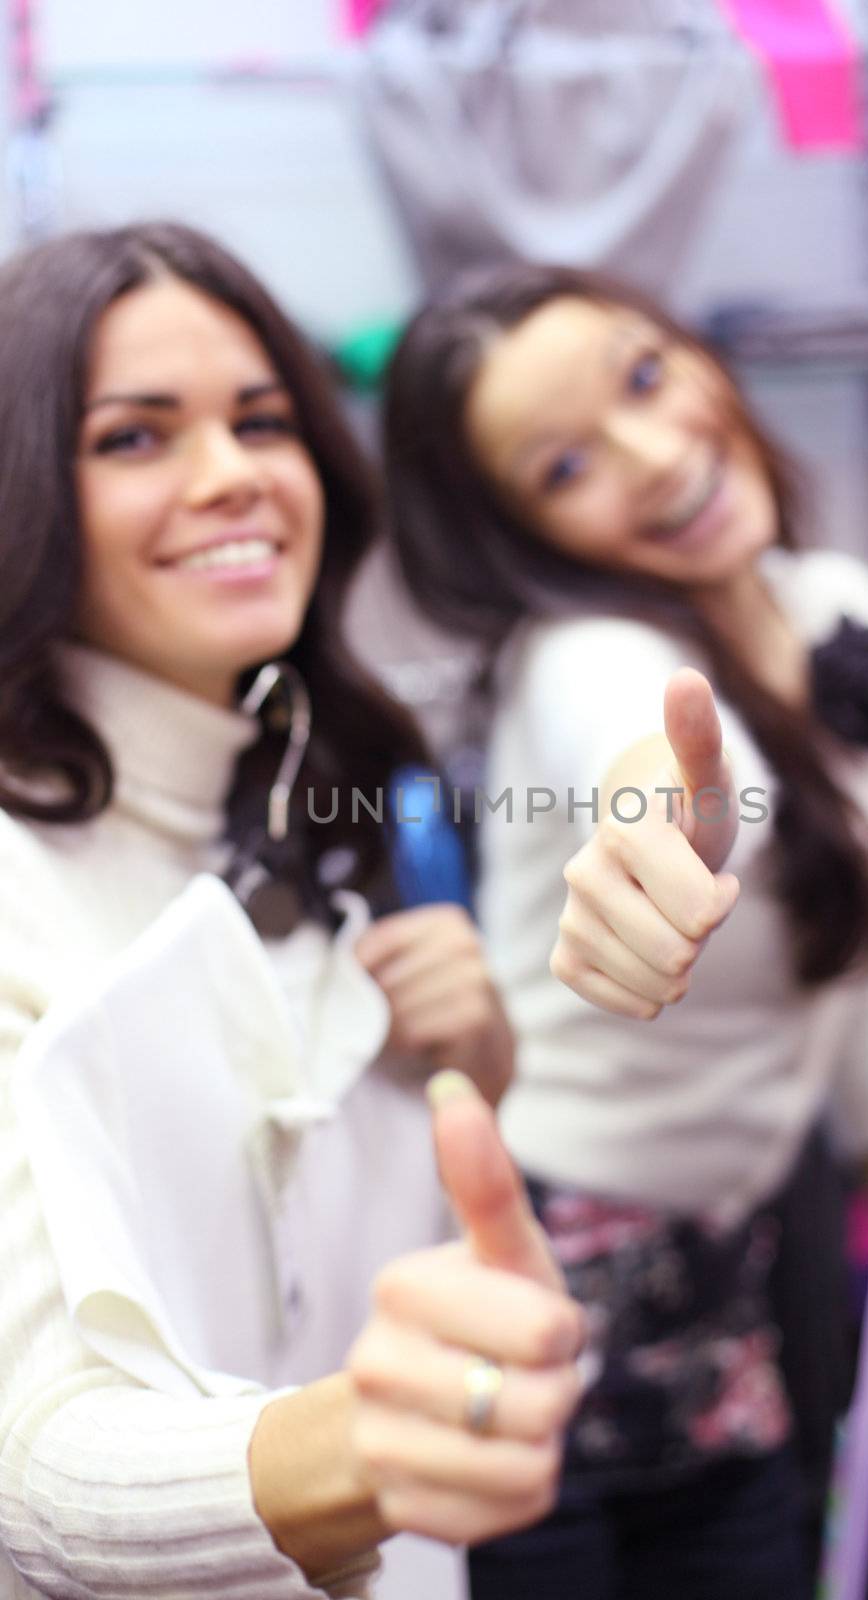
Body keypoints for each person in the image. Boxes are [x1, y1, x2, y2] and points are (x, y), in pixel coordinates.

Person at [0, 224, 586, 1600]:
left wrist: (467, 1086)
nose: (234, 479)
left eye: (263, 421)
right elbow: (32, 1467)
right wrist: (356, 1445)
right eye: (134, 439)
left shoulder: (316, 806)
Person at [382, 262, 868, 1599]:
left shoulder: (831, 597)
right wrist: (657, 833)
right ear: (519, 530)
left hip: (739, 1273)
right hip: (543, 1280)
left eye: (643, 375)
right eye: (564, 466)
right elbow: (659, 761)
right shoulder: (584, 660)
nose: (658, 453)